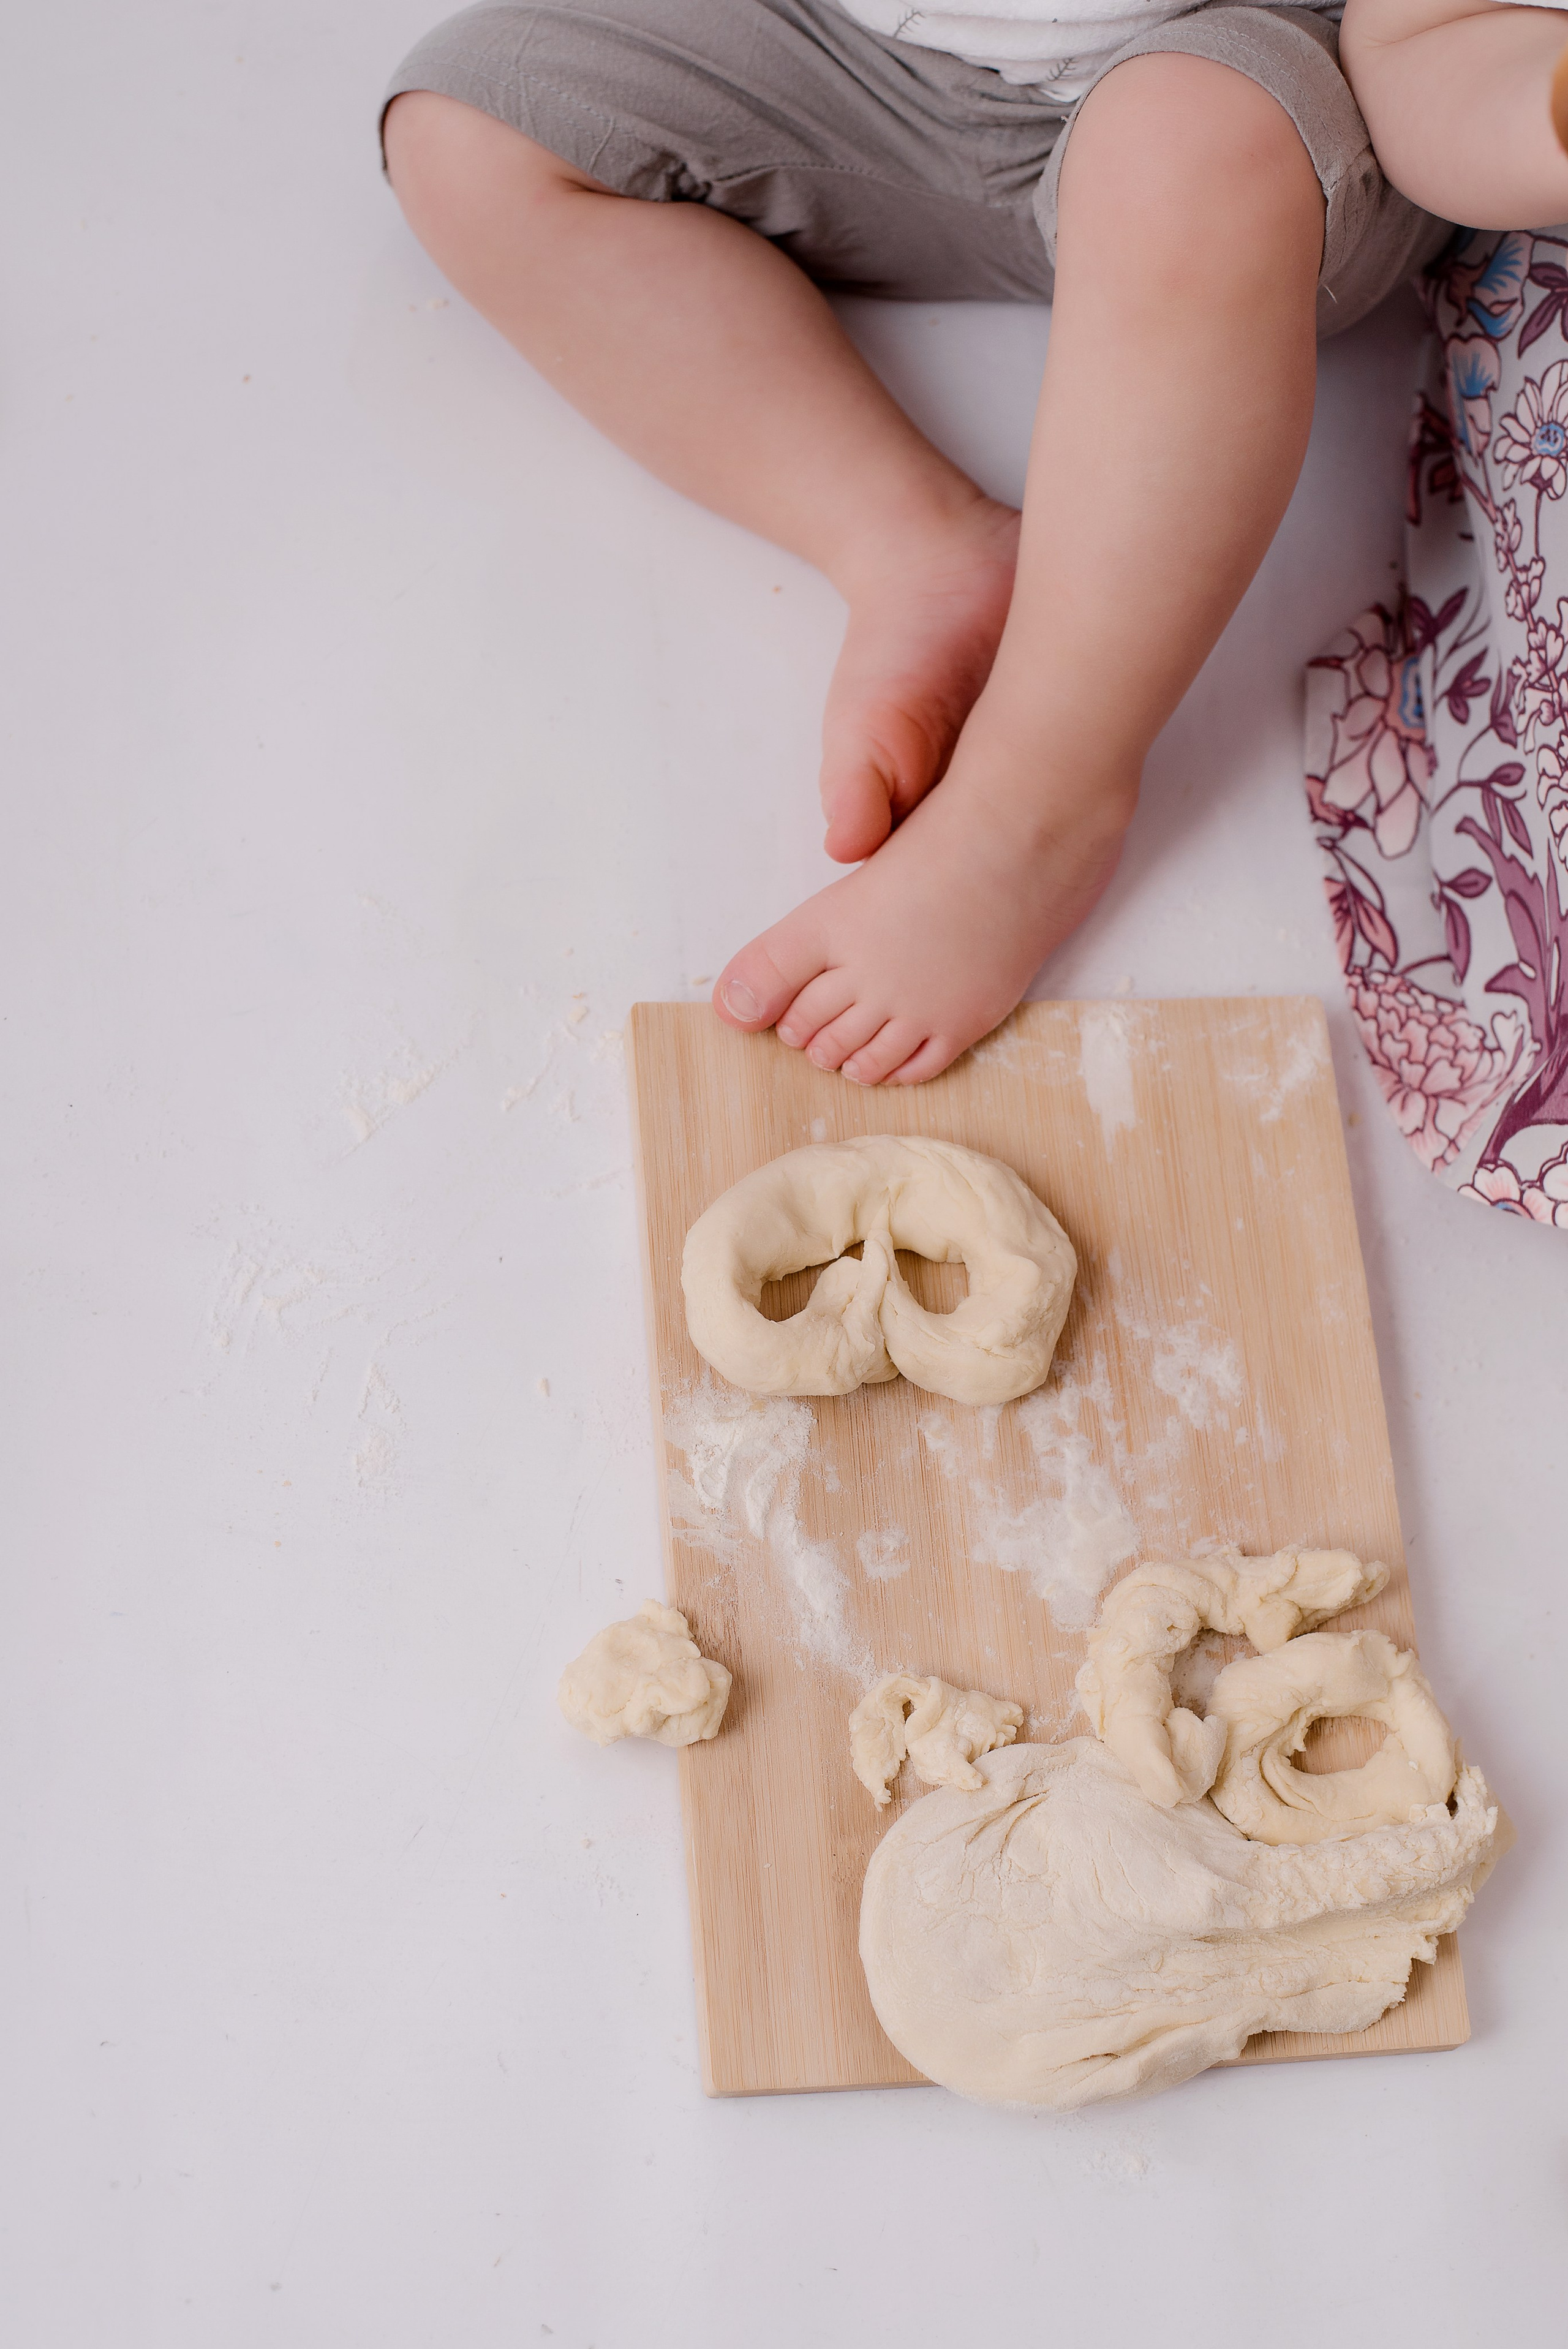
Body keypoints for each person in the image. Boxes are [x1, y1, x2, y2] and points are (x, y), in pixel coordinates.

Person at [382, 0, 1450, 1085]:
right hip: (899, 67)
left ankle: (1031, 815)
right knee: (467, 128)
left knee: (1182, 141)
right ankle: (918, 547)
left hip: (1262, 117)